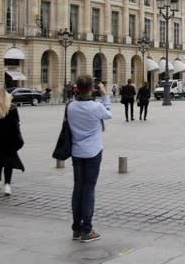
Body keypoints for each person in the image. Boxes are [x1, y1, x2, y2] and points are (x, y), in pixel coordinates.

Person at [67, 74, 112, 243]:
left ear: (77, 88)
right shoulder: (96, 107)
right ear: (92, 89)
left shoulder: (71, 106)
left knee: (77, 188)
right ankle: (87, 230)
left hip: (76, 152)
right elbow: (109, 113)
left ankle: (76, 229)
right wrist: (105, 94)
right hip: (93, 152)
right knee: (88, 190)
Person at [0, 87, 25, 196]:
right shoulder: (13, 109)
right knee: (8, 161)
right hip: (10, 140)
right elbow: (17, 124)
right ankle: (7, 185)